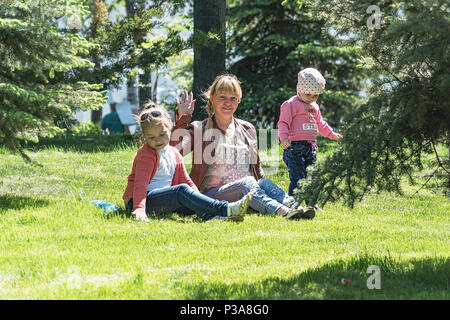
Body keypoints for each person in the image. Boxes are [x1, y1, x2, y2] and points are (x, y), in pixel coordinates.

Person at [171, 73, 315, 220]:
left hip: (247, 189)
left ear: (238, 101)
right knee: (247, 182)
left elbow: (256, 168)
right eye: (222, 97)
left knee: (262, 181)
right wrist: (183, 120)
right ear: (212, 99)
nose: (228, 103)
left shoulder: (248, 129)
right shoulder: (200, 129)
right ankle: (282, 211)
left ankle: (295, 206)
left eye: (233, 98)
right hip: (213, 194)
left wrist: (264, 187)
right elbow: (174, 152)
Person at [122, 102, 253, 222]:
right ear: (144, 137)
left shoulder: (174, 153)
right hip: (142, 200)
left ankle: (213, 216)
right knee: (181, 191)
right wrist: (139, 209)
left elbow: (187, 181)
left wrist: (198, 199)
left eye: (162, 134)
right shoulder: (146, 154)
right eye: (151, 137)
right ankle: (226, 209)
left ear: (170, 129)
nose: (158, 140)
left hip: (165, 199)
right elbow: (140, 183)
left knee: (191, 201)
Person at [277, 68, 343, 196]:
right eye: (308, 94)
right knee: (298, 178)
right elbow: (283, 123)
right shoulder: (291, 104)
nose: (312, 98)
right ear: (299, 89)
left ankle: (311, 204)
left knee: (311, 177)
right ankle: (294, 204)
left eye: (316, 95)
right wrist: (284, 138)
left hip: (310, 146)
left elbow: (321, 124)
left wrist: (332, 135)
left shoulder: (315, 107)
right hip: (294, 147)